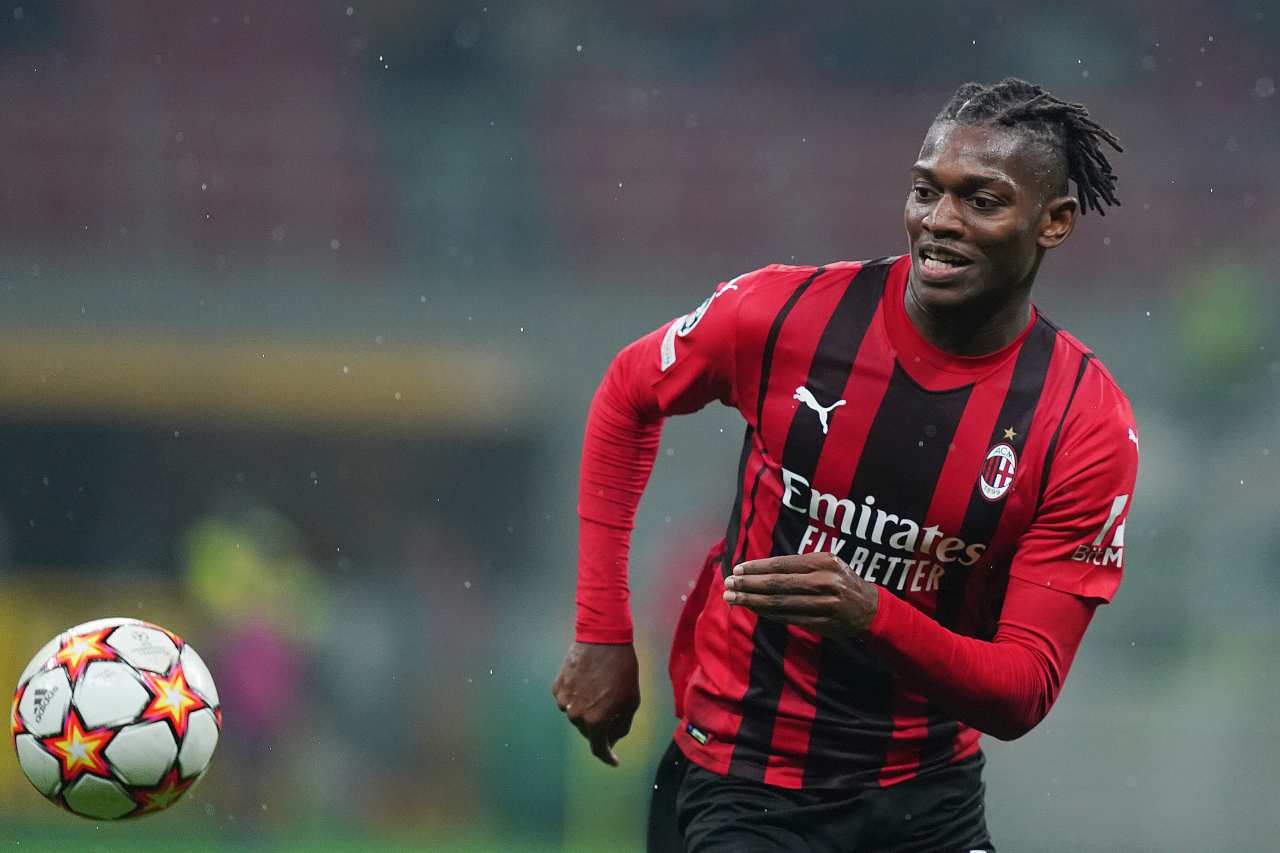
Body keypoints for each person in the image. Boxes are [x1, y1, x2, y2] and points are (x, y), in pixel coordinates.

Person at [553, 77, 1137, 853]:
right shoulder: (784, 314)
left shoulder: (1084, 424)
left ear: (1054, 221)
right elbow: (628, 393)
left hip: (926, 798)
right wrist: (601, 630)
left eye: (982, 200)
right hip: (744, 781)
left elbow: (1023, 690)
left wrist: (872, 614)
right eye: (925, 191)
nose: (940, 220)